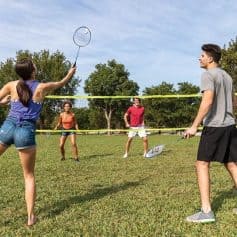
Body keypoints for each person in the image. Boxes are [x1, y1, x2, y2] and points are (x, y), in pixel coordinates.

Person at [0, 59, 76, 226]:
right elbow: (61, 83)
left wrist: (3, 102)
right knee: (28, 176)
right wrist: (70, 73)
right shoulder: (41, 87)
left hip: (7, 128)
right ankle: (30, 217)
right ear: (32, 71)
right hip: (25, 131)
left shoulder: (11, 85)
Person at [184, 44, 237, 223]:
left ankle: (206, 211)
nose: (199, 58)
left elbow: (207, 101)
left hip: (214, 127)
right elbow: (234, 102)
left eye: (202, 56)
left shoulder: (208, 75)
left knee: (202, 164)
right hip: (230, 126)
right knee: (231, 164)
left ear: (210, 58)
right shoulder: (227, 76)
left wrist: (194, 126)